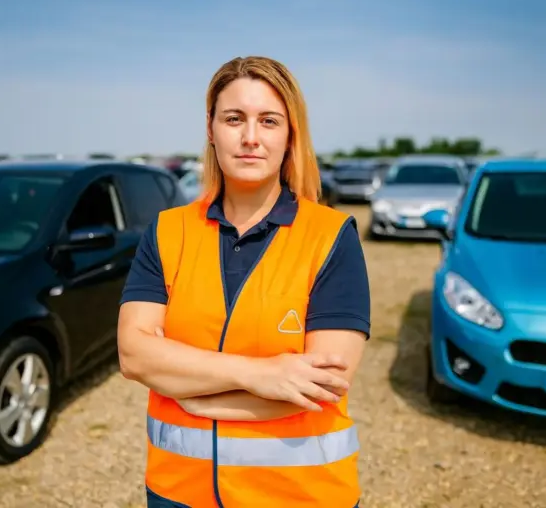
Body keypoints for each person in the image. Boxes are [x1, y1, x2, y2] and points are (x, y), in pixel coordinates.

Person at [118, 56, 371, 508]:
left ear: (290, 133)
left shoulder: (331, 236)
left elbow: (323, 385)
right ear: (211, 129)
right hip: (177, 493)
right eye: (234, 119)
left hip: (300, 496)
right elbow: (135, 355)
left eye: (269, 121)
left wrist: (192, 391)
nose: (251, 137)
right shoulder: (166, 231)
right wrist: (261, 374)